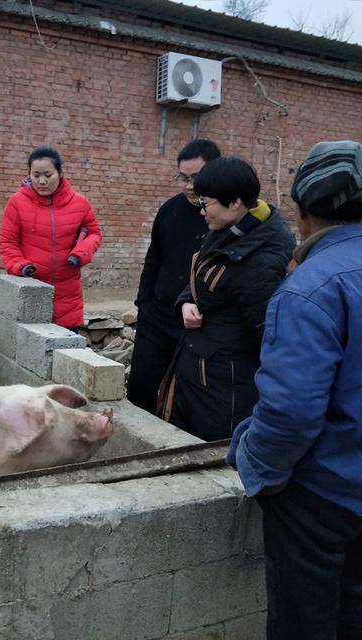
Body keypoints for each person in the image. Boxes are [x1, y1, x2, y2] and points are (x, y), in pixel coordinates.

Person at [227, 140, 362, 640]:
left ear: (303, 213)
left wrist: (259, 468)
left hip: (322, 498)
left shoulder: (311, 288)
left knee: (303, 624)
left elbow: (291, 413)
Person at [164, 156, 295, 440]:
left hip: (225, 390)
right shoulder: (228, 233)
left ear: (234, 202)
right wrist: (186, 302)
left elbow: (271, 341)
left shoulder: (259, 262)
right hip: (200, 373)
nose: (202, 212)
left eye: (206, 203)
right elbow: (203, 279)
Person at [127, 139, 221, 414]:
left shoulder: (224, 218)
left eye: (196, 178)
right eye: (183, 177)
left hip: (197, 322)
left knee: (187, 394)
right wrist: (143, 304)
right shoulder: (170, 210)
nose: (189, 185)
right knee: (141, 386)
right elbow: (154, 257)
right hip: (157, 316)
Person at [0, 146, 102, 328]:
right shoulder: (17, 202)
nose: (42, 181)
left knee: (67, 349)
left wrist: (80, 254)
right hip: (31, 289)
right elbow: (8, 242)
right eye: (36, 175)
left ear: (60, 172)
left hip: (68, 295)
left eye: (48, 175)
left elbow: (94, 233)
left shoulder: (80, 203)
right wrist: (20, 266)